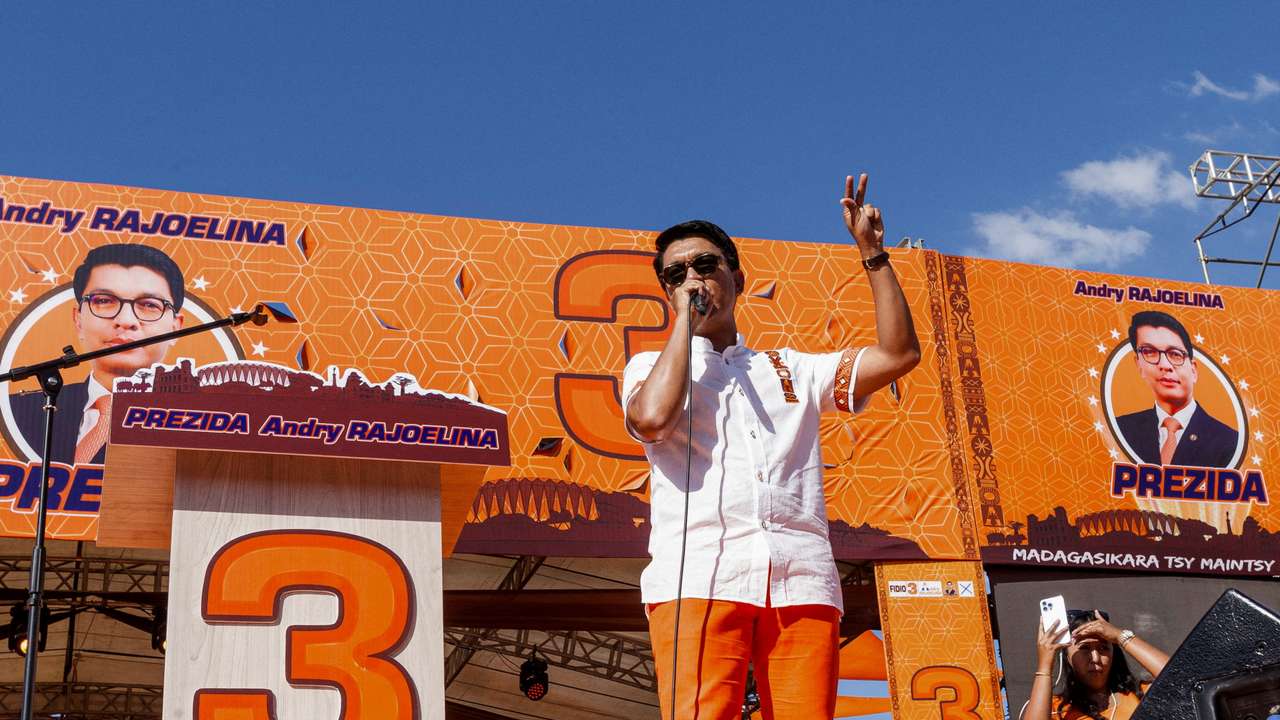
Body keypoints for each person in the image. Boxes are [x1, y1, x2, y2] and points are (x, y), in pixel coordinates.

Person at [623, 174, 920, 720]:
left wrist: (874, 255)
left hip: (800, 579)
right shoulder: (649, 366)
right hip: (698, 578)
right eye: (676, 274)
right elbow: (652, 420)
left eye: (705, 265)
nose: (692, 278)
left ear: (736, 277)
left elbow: (898, 355)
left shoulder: (789, 367)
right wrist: (684, 322)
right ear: (666, 291)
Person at [9, 243, 185, 465]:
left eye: (149, 305)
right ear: (78, 319)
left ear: (175, 327)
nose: (126, 321)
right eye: (103, 301)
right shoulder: (19, 412)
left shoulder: (202, 423)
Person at [1114, 310, 1238, 468]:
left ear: (1193, 370)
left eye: (1175, 354)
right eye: (1149, 352)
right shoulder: (1120, 430)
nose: (1165, 365)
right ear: (1139, 365)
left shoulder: (1230, 442)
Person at [1027, 609, 1169, 720]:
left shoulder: (1141, 694)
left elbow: (1179, 676)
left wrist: (1120, 636)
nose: (1095, 658)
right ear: (1067, 656)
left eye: (1103, 648)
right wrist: (1045, 665)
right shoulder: (1056, 709)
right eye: (1084, 648)